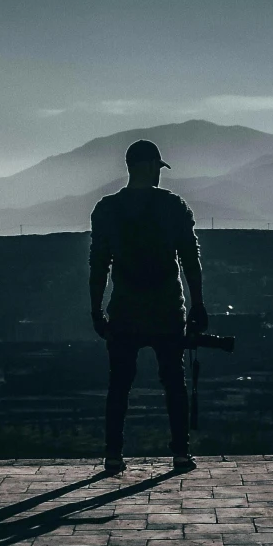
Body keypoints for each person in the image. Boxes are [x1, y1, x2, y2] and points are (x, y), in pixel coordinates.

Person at [89, 139, 207, 475]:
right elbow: (189, 260)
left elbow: (98, 264)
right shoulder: (173, 206)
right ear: (146, 166)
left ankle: (114, 453)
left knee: (120, 382)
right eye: (157, 166)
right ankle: (180, 453)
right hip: (168, 308)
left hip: (125, 307)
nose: (159, 173)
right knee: (174, 381)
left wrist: (96, 309)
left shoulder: (107, 210)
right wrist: (197, 303)